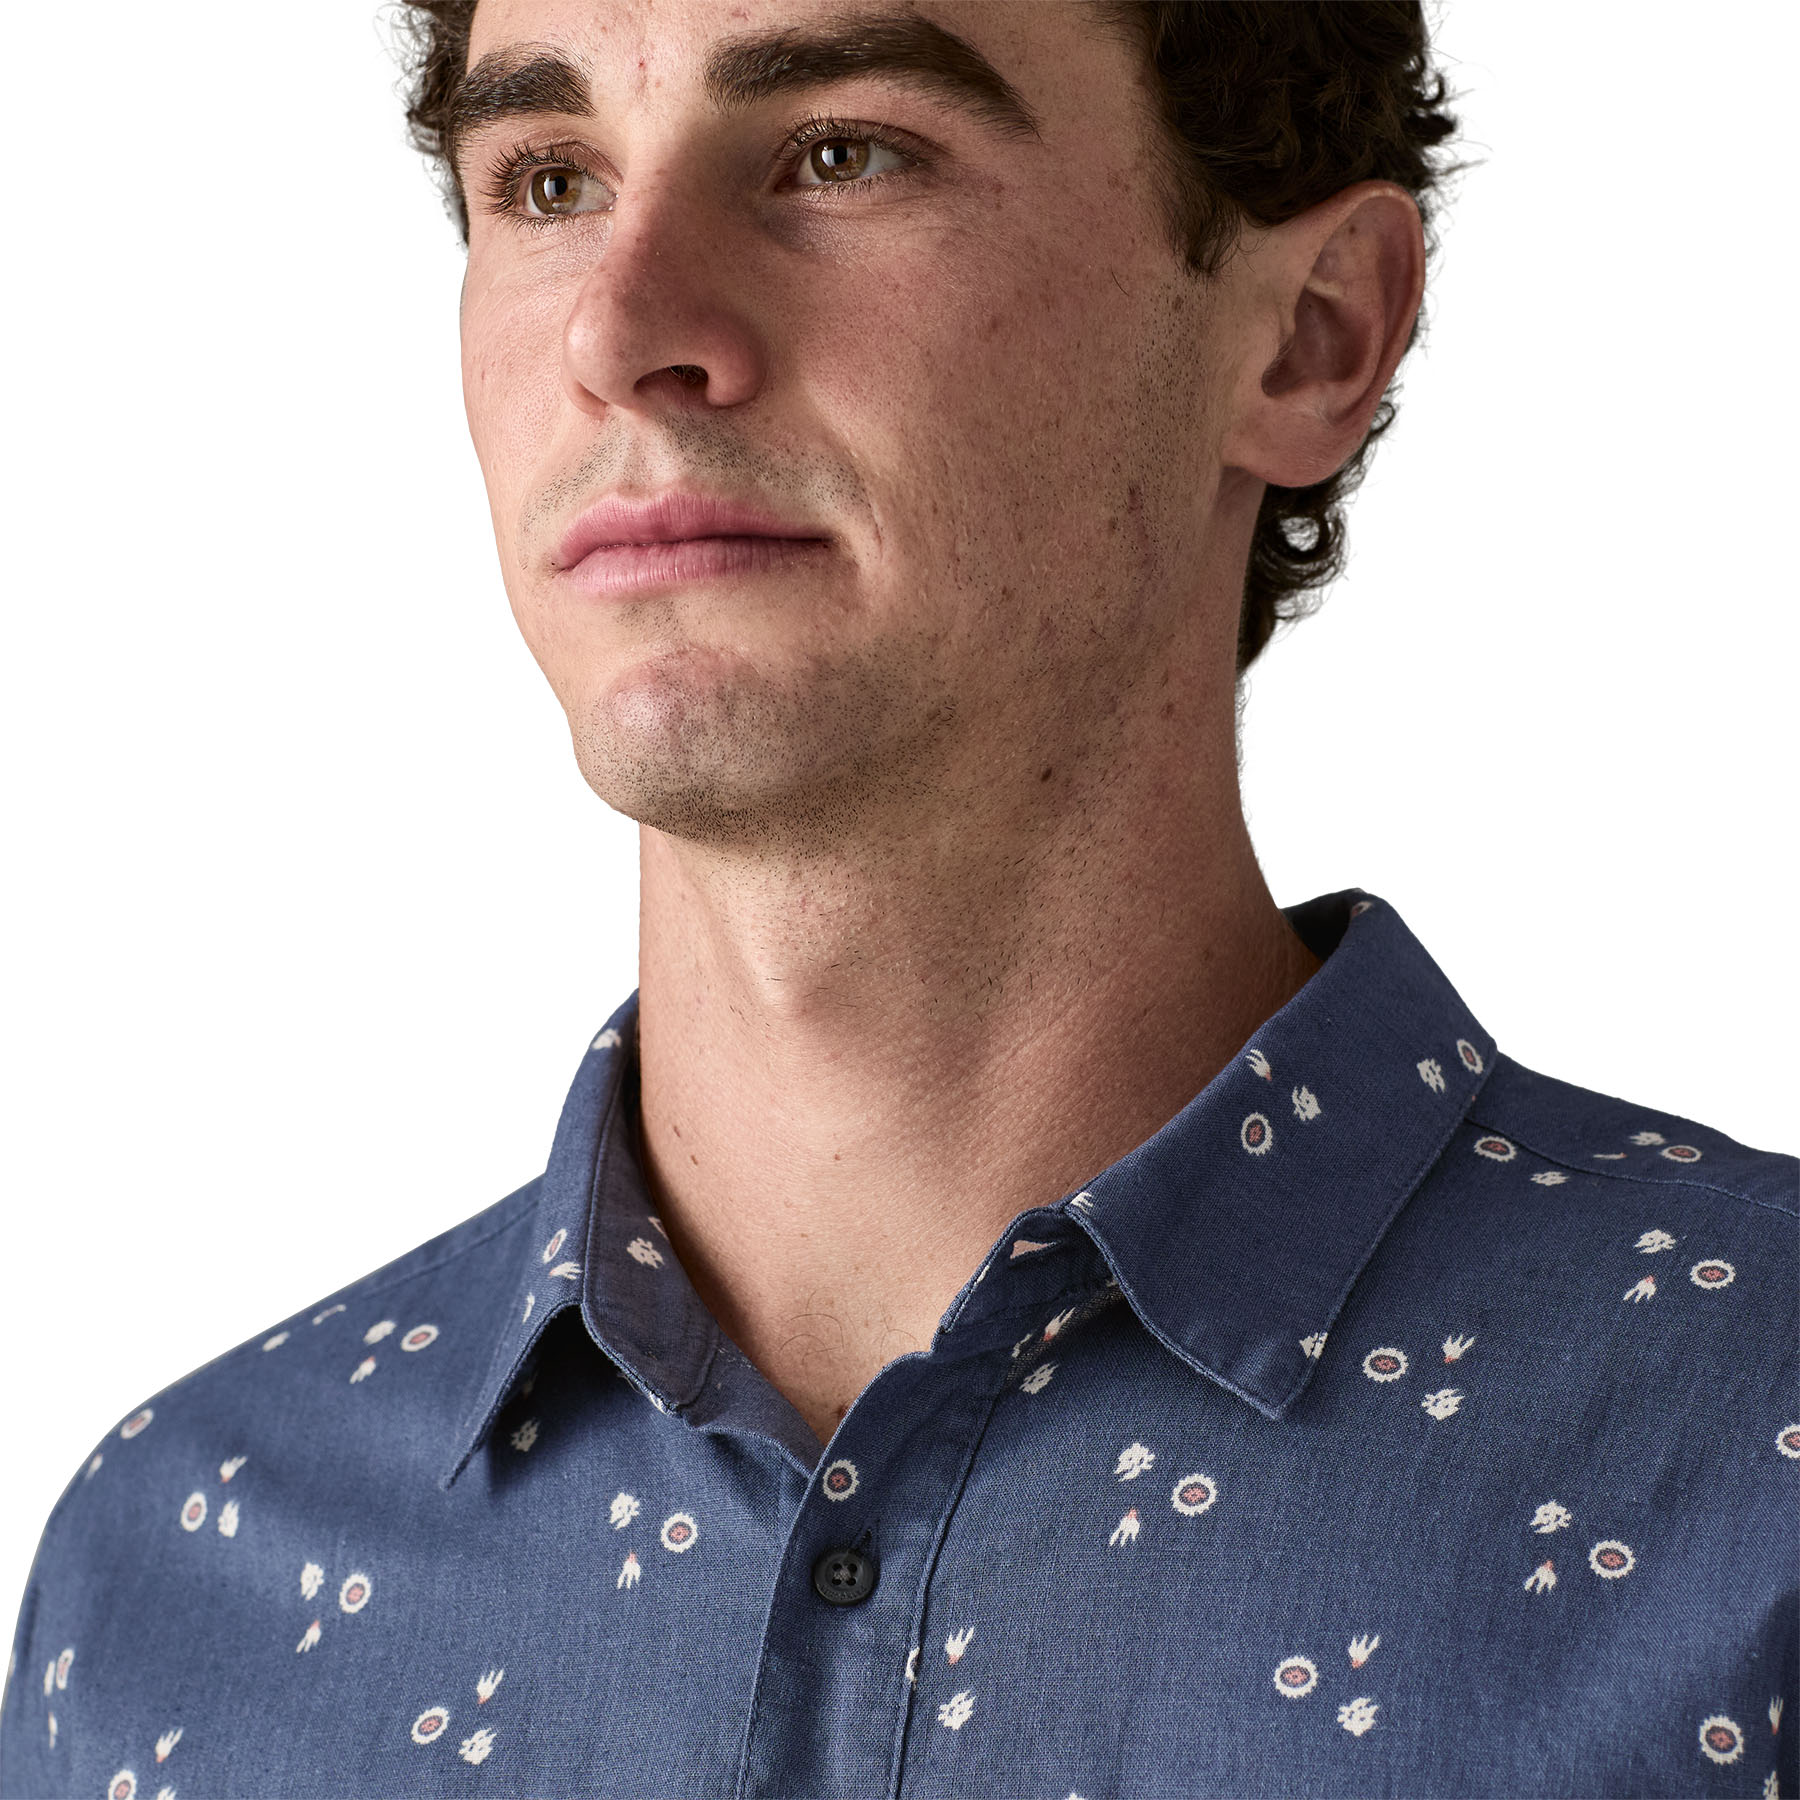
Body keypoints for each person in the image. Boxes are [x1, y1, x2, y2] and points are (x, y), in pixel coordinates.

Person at [2, 2, 1793, 1796]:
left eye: (839, 154)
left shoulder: (1755, 1470)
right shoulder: (169, 1610)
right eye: (548, 182)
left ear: (1311, 333)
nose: (621, 334)